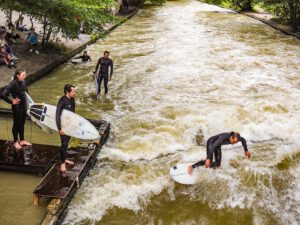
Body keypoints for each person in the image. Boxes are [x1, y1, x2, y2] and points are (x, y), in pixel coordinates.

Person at [0, 69, 32, 150]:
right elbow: (3, 95)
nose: (25, 76)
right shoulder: (13, 83)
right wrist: (12, 102)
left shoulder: (24, 82)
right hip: (17, 106)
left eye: (25, 75)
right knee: (16, 123)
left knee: (22, 123)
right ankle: (15, 141)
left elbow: (26, 93)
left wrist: (31, 103)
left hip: (23, 105)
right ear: (18, 75)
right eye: (23, 75)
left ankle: (22, 140)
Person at [56, 84, 76, 172]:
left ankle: (65, 158)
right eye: (73, 92)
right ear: (68, 92)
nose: (74, 93)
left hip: (69, 125)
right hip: (63, 126)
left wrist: (74, 124)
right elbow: (57, 115)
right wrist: (59, 128)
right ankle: (62, 163)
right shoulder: (62, 101)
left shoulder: (72, 99)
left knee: (67, 143)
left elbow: (73, 113)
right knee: (63, 144)